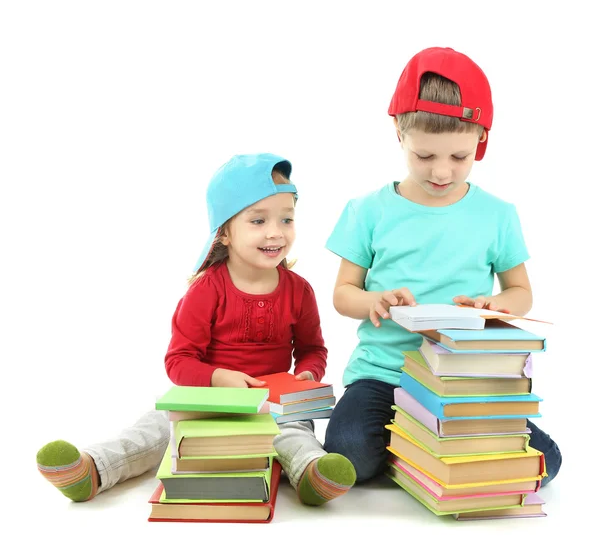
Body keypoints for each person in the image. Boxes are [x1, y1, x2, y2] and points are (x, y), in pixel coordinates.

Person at [37, 153, 356, 505]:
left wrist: (309, 373)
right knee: (155, 430)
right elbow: (179, 361)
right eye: (258, 220)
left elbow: (313, 349)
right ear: (224, 234)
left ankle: (312, 475)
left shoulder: (299, 290)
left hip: (272, 405)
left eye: (286, 219)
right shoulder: (207, 290)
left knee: (296, 433)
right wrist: (219, 377)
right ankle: (94, 468)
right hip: (209, 398)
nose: (275, 233)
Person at [322, 47, 562, 486]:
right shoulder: (367, 211)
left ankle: (423, 447)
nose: (442, 172)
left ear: (480, 142)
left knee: (545, 461)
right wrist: (375, 300)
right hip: (382, 375)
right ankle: (435, 450)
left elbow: (521, 292)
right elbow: (343, 294)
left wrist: (495, 304)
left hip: (459, 375)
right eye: (425, 156)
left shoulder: (497, 215)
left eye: (459, 157)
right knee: (349, 453)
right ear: (398, 132)